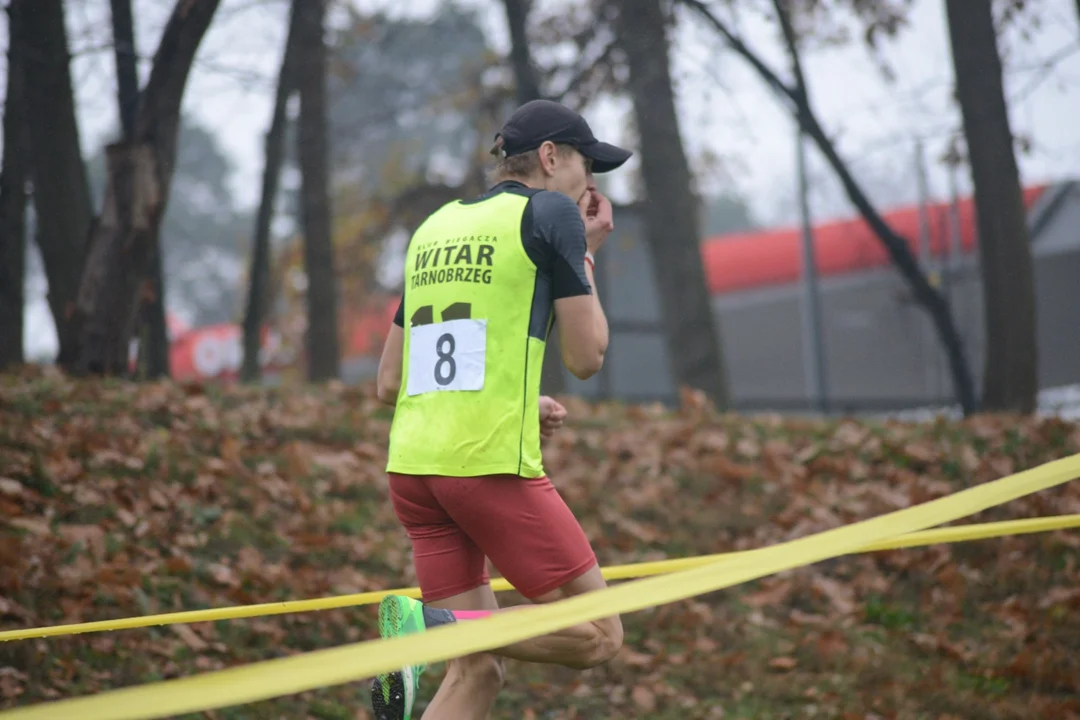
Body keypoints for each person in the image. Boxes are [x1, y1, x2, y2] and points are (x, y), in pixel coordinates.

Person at [370, 98, 632, 720]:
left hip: (415, 471)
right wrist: (588, 250)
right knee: (599, 635)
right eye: (586, 165)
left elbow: (388, 382)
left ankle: (442, 629)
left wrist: (517, 396)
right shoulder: (552, 214)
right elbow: (587, 355)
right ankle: (433, 626)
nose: (590, 184)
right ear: (549, 157)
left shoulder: (434, 227)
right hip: (486, 467)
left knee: (478, 672)